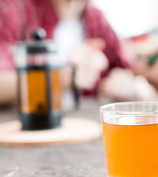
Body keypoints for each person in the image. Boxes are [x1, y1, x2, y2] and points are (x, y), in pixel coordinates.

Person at [0, 0, 131, 105]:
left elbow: (124, 67)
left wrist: (118, 81)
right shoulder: (14, 8)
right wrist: (59, 78)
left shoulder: (96, 17)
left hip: (82, 124)